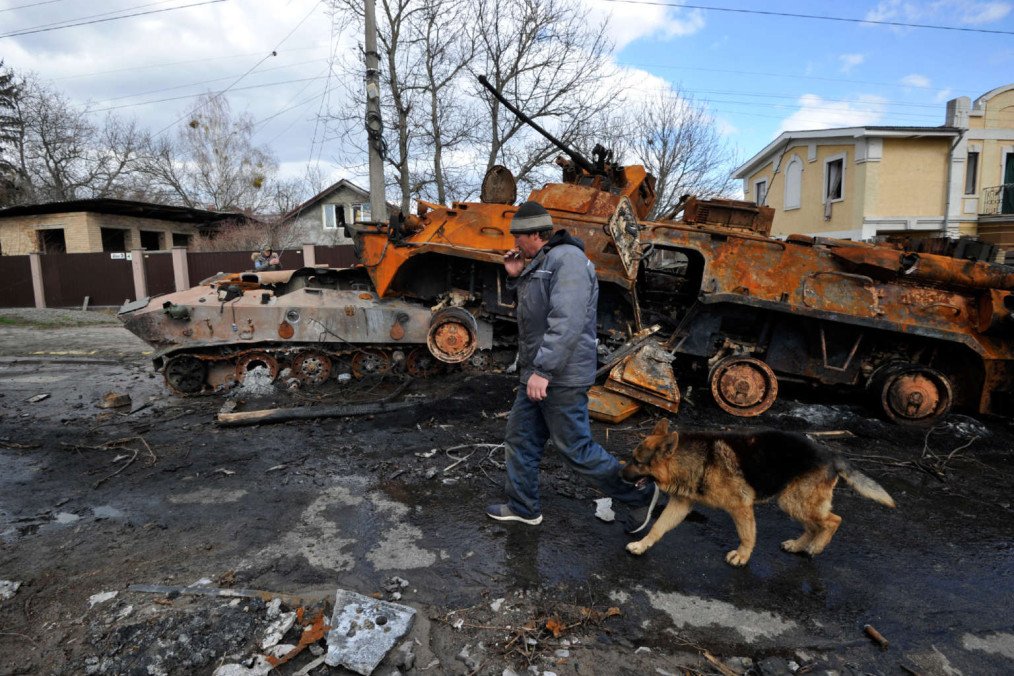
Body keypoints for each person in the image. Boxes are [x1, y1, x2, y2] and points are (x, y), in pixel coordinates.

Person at [485, 201, 663, 533]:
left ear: (535, 234)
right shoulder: (543, 261)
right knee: (521, 439)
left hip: (559, 378)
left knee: (576, 449)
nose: (514, 243)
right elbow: (537, 312)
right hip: (538, 375)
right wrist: (517, 275)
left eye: (518, 236)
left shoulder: (567, 261)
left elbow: (565, 322)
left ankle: (640, 493)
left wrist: (544, 371)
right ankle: (524, 507)